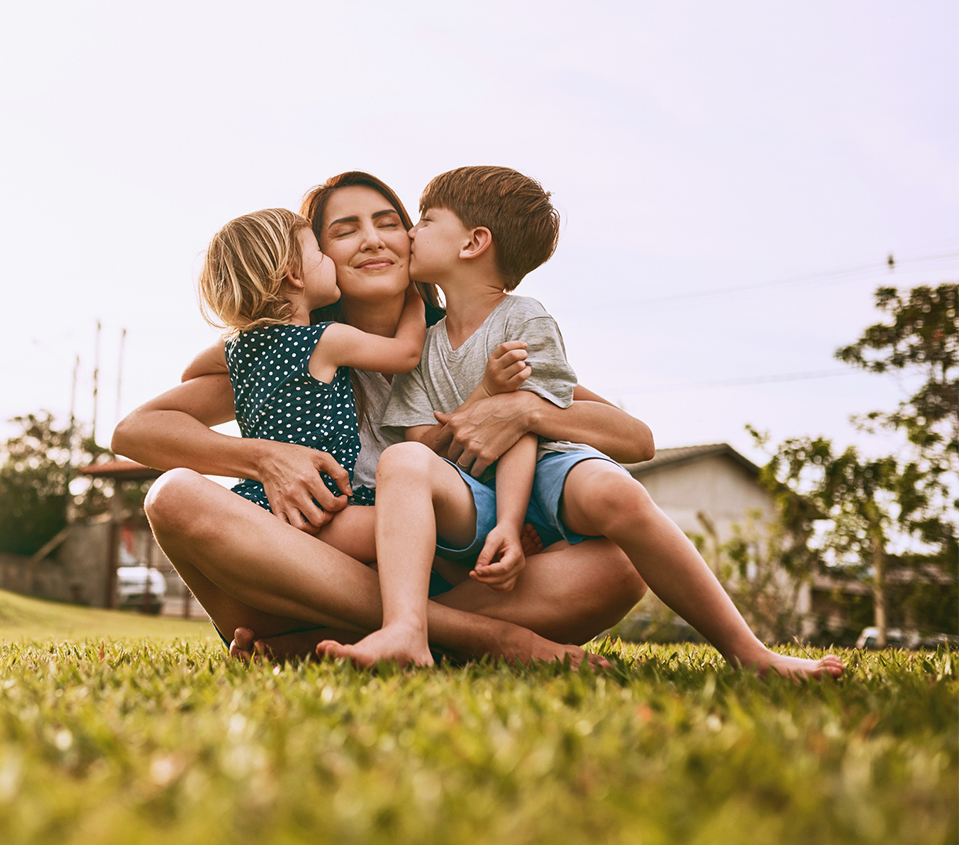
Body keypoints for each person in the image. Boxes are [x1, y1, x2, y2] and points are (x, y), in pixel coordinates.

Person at [317, 166, 844, 680]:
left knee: (618, 496)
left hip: (542, 467)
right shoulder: (406, 349)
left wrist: (514, 489)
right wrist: (487, 402)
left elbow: (564, 429)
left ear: (473, 243)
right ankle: (417, 632)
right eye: (345, 230)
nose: (406, 234)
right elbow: (425, 449)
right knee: (402, 459)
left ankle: (746, 648)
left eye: (418, 221)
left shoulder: (522, 321)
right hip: (465, 504)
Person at [112, 171, 654, 666]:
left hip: (457, 578)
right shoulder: (295, 352)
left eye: (390, 223)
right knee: (173, 495)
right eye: (345, 231)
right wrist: (262, 457)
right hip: (298, 580)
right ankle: (478, 638)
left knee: (619, 568)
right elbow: (137, 430)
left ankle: (338, 639)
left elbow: (635, 439)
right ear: (309, 260)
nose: (373, 239)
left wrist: (522, 407)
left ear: (413, 241)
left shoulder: (473, 342)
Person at [190, 206, 424, 560]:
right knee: (423, 533)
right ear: (294, 275)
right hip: (323, 509)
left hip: (259, 503)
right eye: (318, 251)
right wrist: (415, 302)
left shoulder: (240, 348)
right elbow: (406, 354)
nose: (327, 259)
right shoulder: (325, 340)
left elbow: (190, 373)